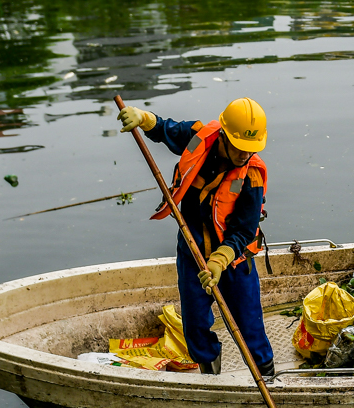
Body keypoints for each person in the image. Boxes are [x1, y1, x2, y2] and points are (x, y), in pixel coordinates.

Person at [117, 98, 275, 375]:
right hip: (193, 251)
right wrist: (143, 118)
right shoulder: (200, 138)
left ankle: (267, 374)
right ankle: (209, 373)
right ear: (224, 136)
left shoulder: (251, 177)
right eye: (239, 147)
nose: (244, 154)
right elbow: (168, 131)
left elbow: (244, 230)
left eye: (250, 149)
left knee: (248, 323)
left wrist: (219, 261)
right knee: (194, 321)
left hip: (234, 260)